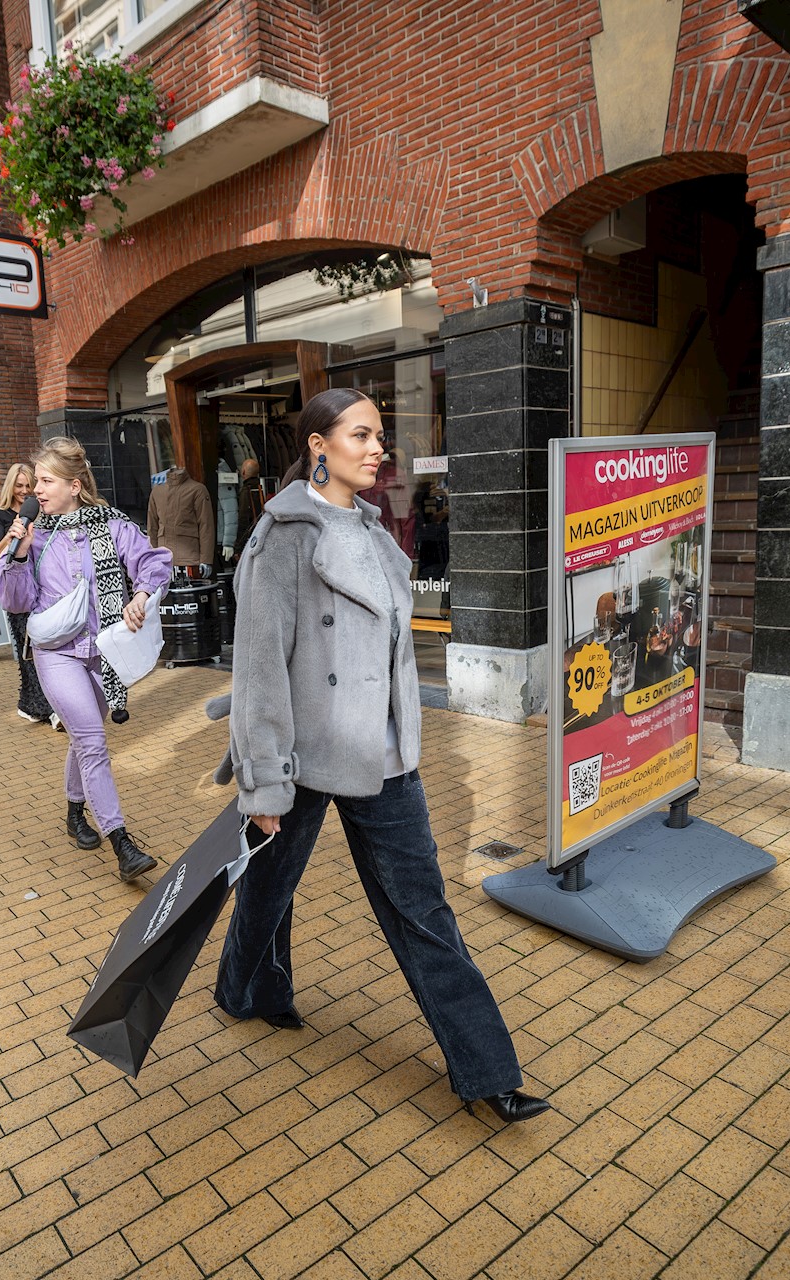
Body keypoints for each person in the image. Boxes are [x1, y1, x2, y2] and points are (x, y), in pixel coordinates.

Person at [218, 388, 550, 1125]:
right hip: (303, 756)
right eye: (361, 435)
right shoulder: (283, 539)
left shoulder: (373, 532)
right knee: (268, 891)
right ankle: (246, 989)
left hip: (387, 754)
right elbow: (260, 673)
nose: (377, 449)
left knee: (423, 908)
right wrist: (263, 784)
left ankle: (488, 1072)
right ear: (318, 445)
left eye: (378, 436)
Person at [0, 437, 171, 882]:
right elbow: (16, 601)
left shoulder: (112, 525)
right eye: (36, 482)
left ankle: (75, 812)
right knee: (92, 742)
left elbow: (152, 562)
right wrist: (16, 551)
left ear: (74, 485)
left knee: (83, 736)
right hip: (56, 655)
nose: (37, 490)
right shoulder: (33, 538)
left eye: (46, 481)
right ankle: (122, 843)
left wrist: (143, 596)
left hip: (104, 652)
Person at [0, 462, 55, 727]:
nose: (25, 491)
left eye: (29, 485)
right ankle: (34, 704)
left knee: (45, 650)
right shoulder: (0, 515)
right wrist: (15, 529)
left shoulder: (44, 509)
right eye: (19, 486)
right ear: (10, 486)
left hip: (43, 586)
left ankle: (45, 704)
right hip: (16, 587)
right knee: (26, 651)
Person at [147, 464, 215, 575]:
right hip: (164, 557)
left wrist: (206, 559)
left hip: (189, 558)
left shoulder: (197, 490)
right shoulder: (157, 492)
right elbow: (152, 528)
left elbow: (206, 527)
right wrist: (152, 558)